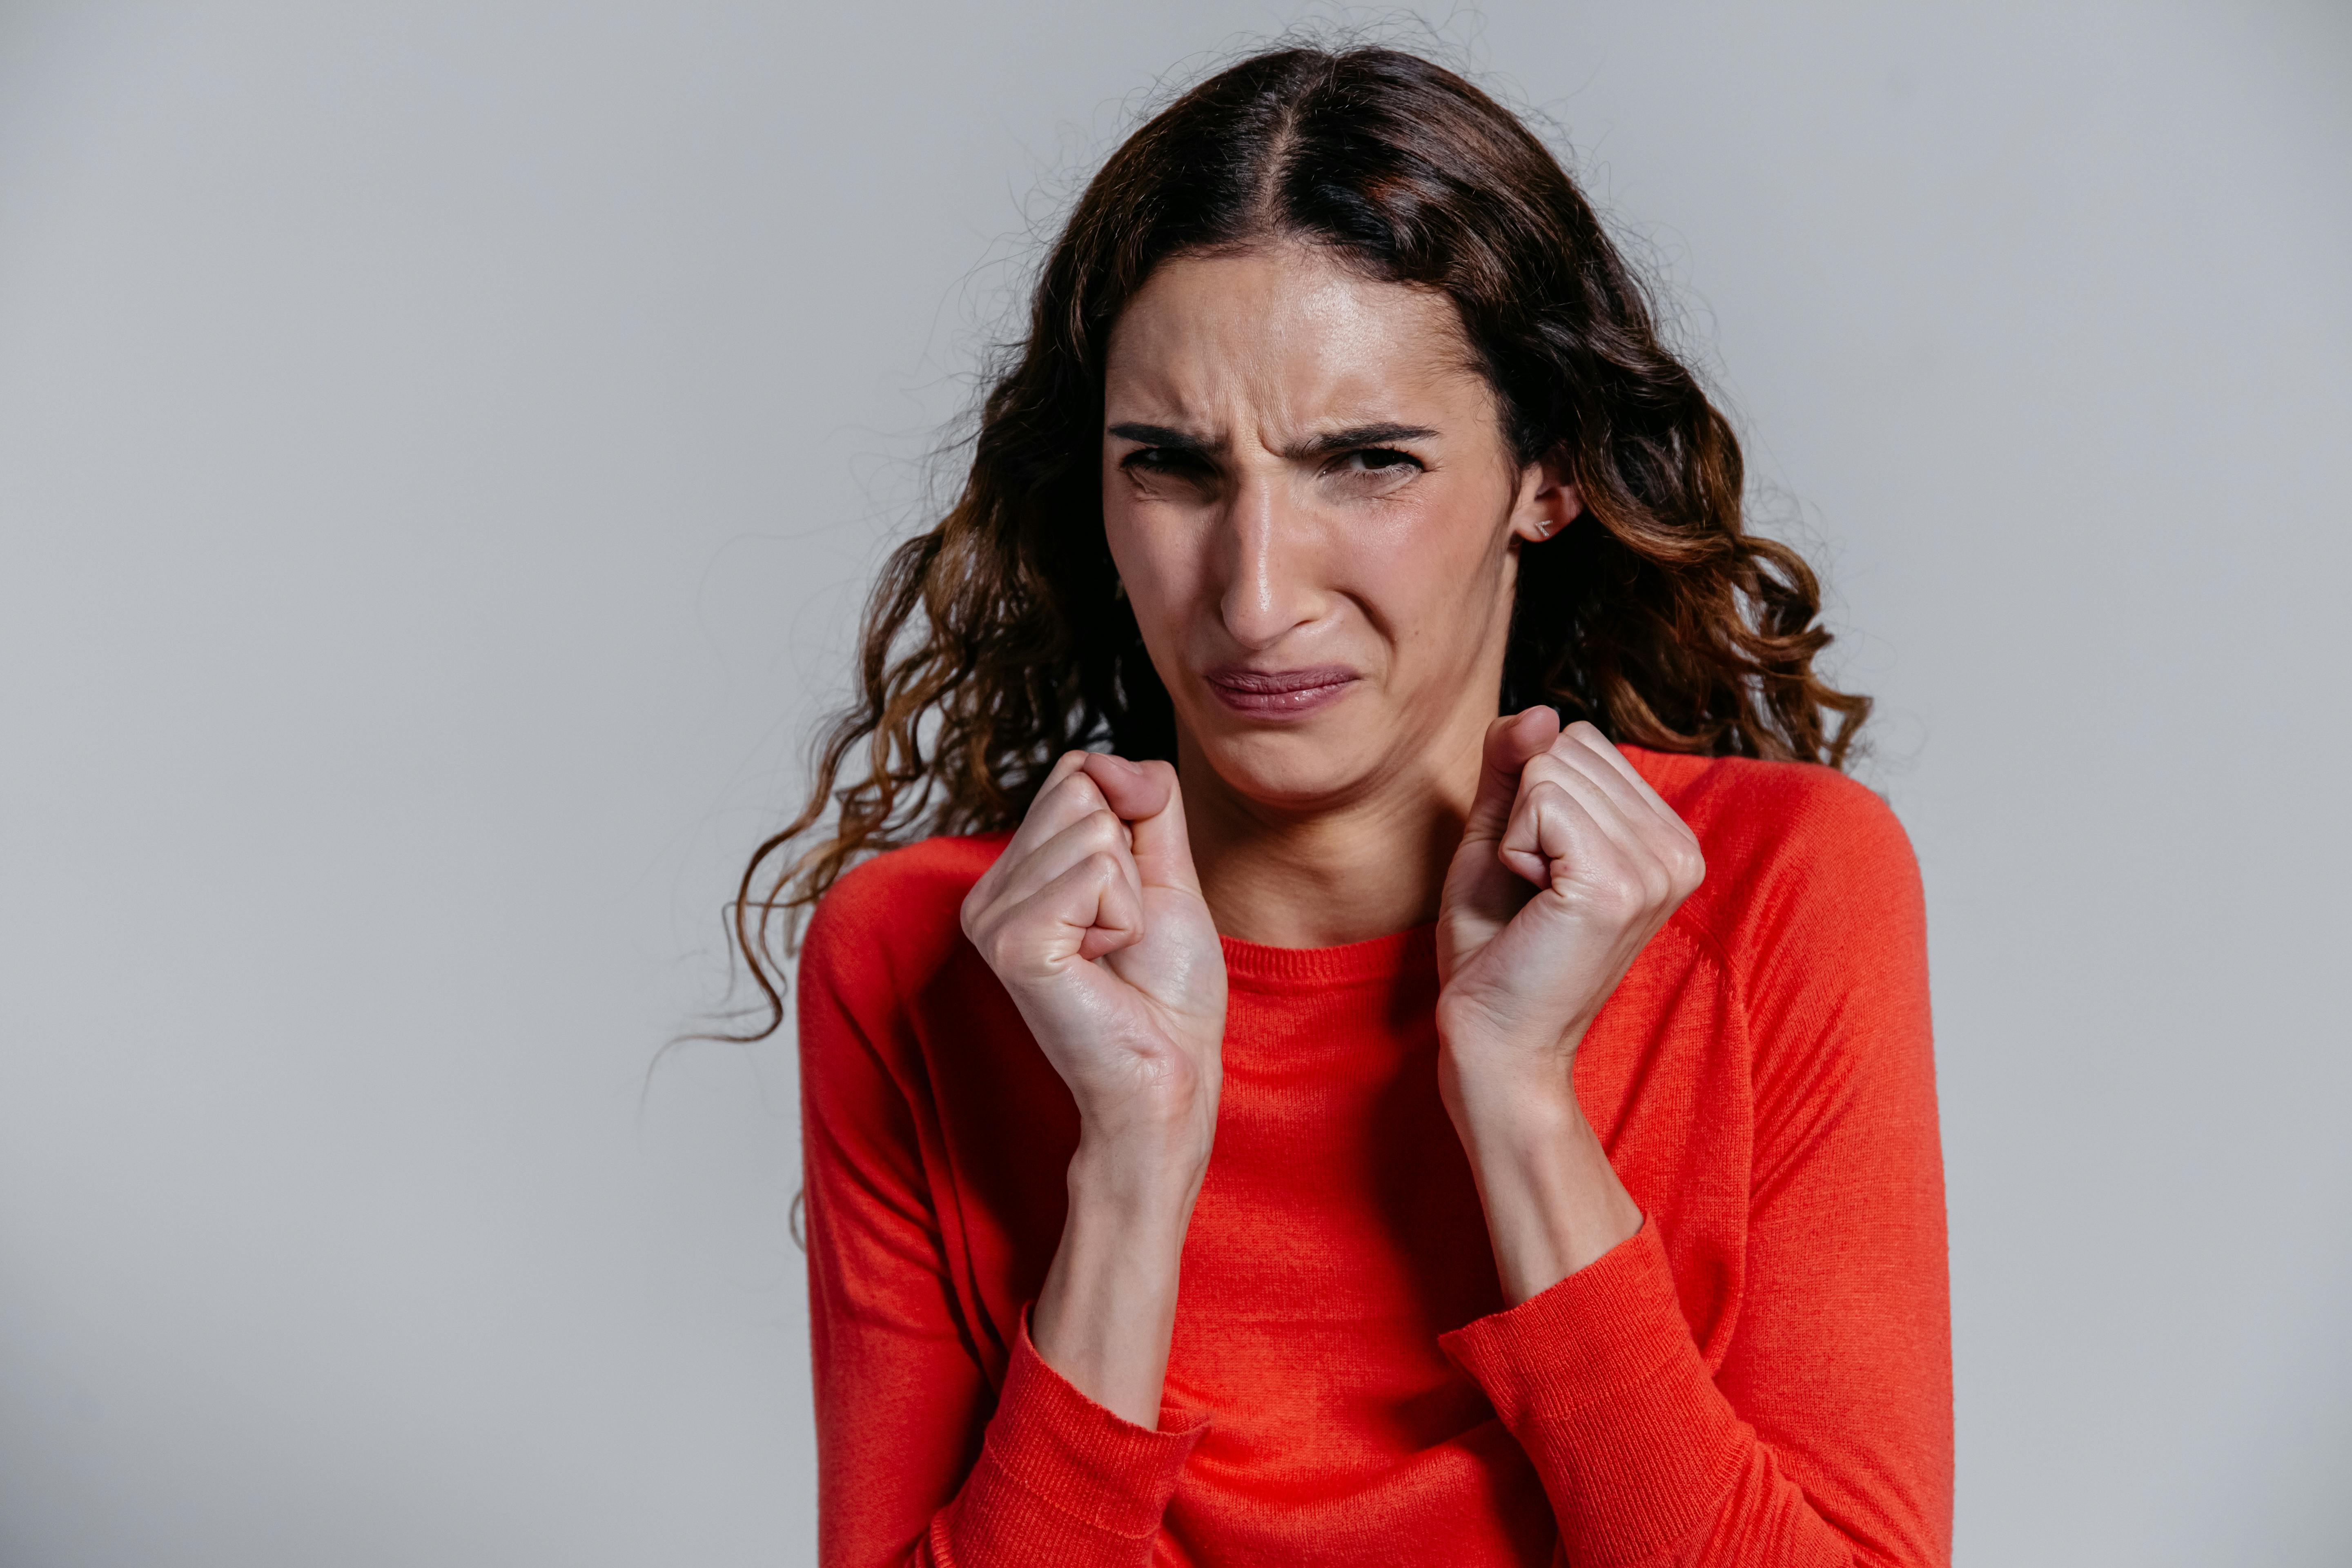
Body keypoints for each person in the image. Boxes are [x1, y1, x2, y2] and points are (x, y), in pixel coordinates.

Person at [734, 44, 1951, 1568]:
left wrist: (1516, 1097)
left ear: (1546, 475)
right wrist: (1131, 1167)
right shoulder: (932, 958)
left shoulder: (1779, 884)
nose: (1253, 594)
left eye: (1366, 462)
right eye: (1174, 468)